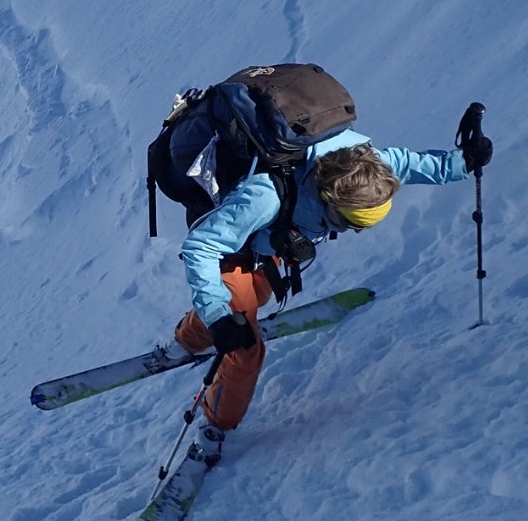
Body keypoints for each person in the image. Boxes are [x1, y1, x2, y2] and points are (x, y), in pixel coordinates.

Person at [172, 125, 493, 458]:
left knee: (258, 293)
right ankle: (216, 424)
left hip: (265, 241)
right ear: (329, 200)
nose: (353, 233)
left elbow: (407, 164)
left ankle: (192, 337)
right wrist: (218, 316)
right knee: (245, 351)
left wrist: (462, 162)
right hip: (228, 252)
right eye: (348, 224)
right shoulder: (263, 197)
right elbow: (201, 246)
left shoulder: (364, 169)